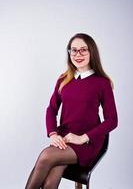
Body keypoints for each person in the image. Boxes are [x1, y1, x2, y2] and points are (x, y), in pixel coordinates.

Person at [25, 33, 118, 189]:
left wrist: (83, 138)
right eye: (73, 50)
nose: (78, 54)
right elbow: (51, 109)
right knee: (49, 182)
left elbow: (112, 120)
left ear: (91, 52)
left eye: (83, 50)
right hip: (64, 138)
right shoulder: (64, 79)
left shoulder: (102, 83)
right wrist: (53, 134)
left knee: (46, 156)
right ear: (69, 53)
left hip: (87, 143)